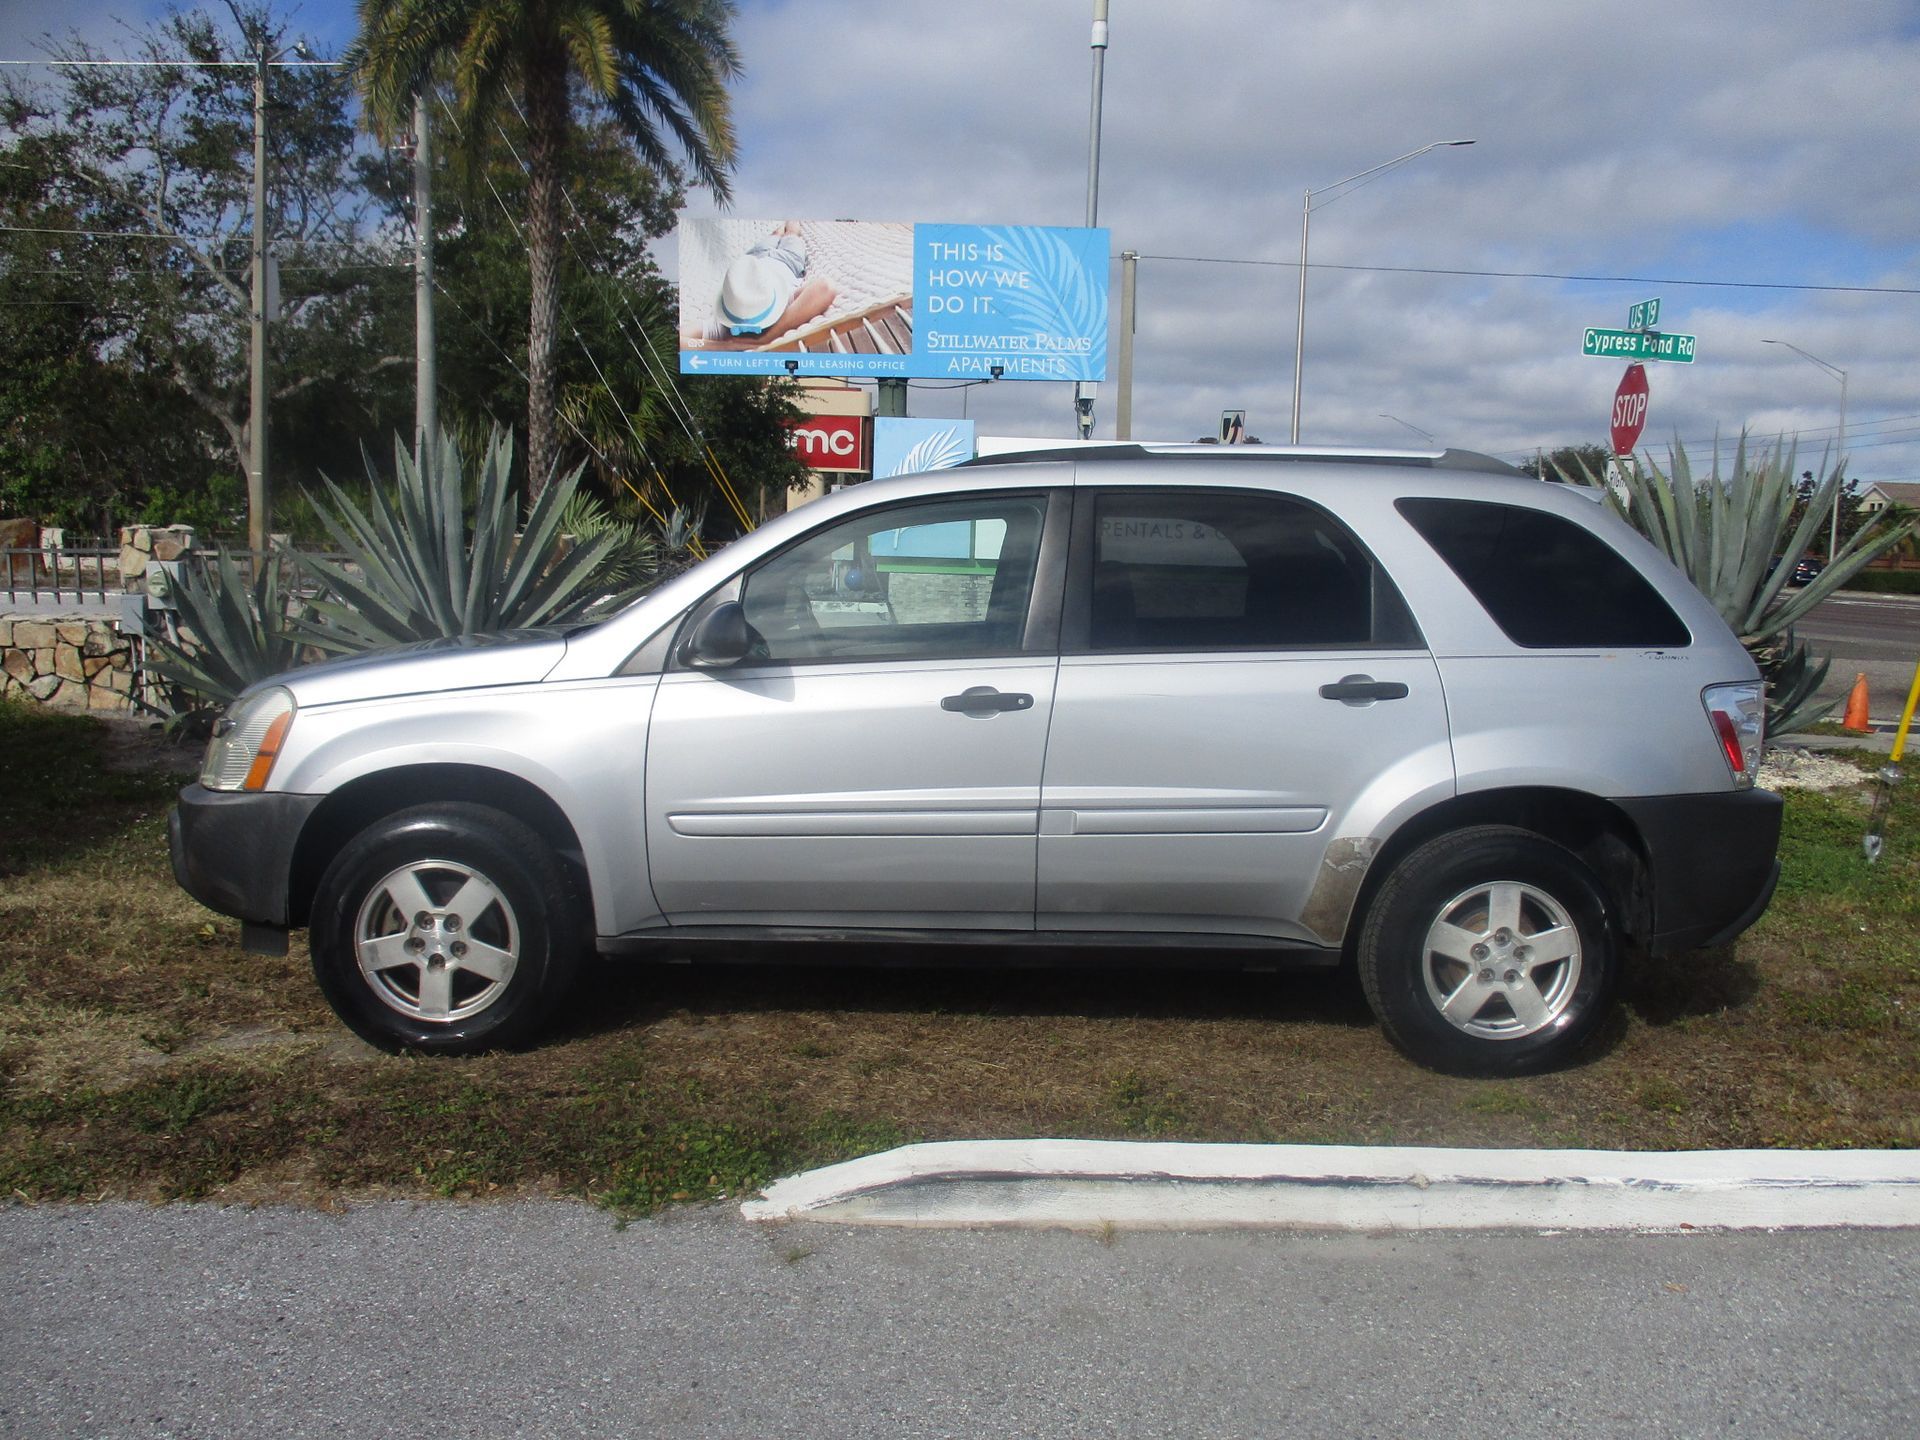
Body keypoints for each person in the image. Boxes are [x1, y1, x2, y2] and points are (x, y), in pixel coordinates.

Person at [695, 221, 836, 347]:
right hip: (788, 260)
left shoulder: (725, 323)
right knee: (792, 232)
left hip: (754, 259)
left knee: (775, 232)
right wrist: (768, 337)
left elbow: (682, 339)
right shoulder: (783, 304)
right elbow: (825, 287)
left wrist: (726, 346)